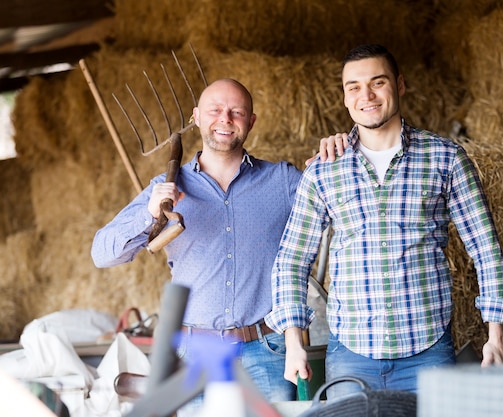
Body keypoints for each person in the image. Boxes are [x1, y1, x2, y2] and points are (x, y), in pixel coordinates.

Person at [264, 44, 503, 398]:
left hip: (428, 352)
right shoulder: (324, 170)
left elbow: (485, 249)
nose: (366, 96)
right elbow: (292, 260)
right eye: (354, 87)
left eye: (378, 82)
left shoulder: (445, 158)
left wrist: (496, 337)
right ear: (344, 98)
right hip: (351, 354)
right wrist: (293, 341)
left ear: (400, 85)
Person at [91, 78, 331, 413]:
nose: (225, 119)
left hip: (265, 351)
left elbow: (338, 204)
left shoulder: (283, 182)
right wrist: (147, 214)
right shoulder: (166, 188)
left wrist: (336, 151)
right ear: (196, 117)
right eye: (215, 110)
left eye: (236, 112)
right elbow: (102, 254)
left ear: (251, 121)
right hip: (194, 354)